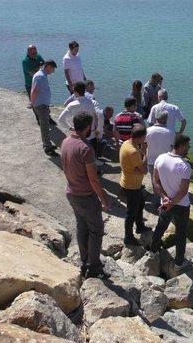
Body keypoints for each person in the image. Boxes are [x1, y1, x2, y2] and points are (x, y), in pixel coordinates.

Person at [61, 111, 111, 279]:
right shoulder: (85, 148)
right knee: (96, 231)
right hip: (86, 197)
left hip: (71, 193)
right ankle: (95, 267)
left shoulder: (65, 142)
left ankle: (84, 262)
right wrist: (104, 199)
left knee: (82, 228)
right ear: (88, 127)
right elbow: (94, 180)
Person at [149, 134, 192, 271]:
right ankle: (179, 263)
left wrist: (164, 197)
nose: (189, 149)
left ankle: (153, 251)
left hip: (165, 202)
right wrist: (172, 203)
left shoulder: (160, 158)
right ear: (182, 145)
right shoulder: (184, 166)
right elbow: (183, 191)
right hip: (181, 205)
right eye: (188, 146)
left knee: (160, 227)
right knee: (181, 233)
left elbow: (155, 181)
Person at [119, 124, 152, 246]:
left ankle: (140, 226)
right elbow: (144, 170)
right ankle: (128, 237)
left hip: (131, 182)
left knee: (141, 202)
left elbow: (138, 166)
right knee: (131, 213)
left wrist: (142, 152)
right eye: (145, 137)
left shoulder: (127, 143)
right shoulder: (132, 151)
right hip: (131, 186)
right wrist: (146, 153)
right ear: (141, 137)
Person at [145, 111, 175, 204]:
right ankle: (166, 203)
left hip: (151, 161)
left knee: (155, 183)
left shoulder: (148, 130)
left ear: (155, 119)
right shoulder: (171, 132)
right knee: (166, 184)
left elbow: (143, 146)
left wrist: (145, 156)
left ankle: (156, 204)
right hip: (166, 163)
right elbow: (172, 149)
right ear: (166, 119)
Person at [29, 60, 58, 156]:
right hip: (41, 106)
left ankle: (47, 143)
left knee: (45, 126)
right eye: (53, 69)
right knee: (45, 127)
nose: (53, 72)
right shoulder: (41, 76)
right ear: (48, 66)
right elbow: (34, 91)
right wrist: (32, 103)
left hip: (42, 105)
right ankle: (47, 147)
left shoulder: (41, 74)